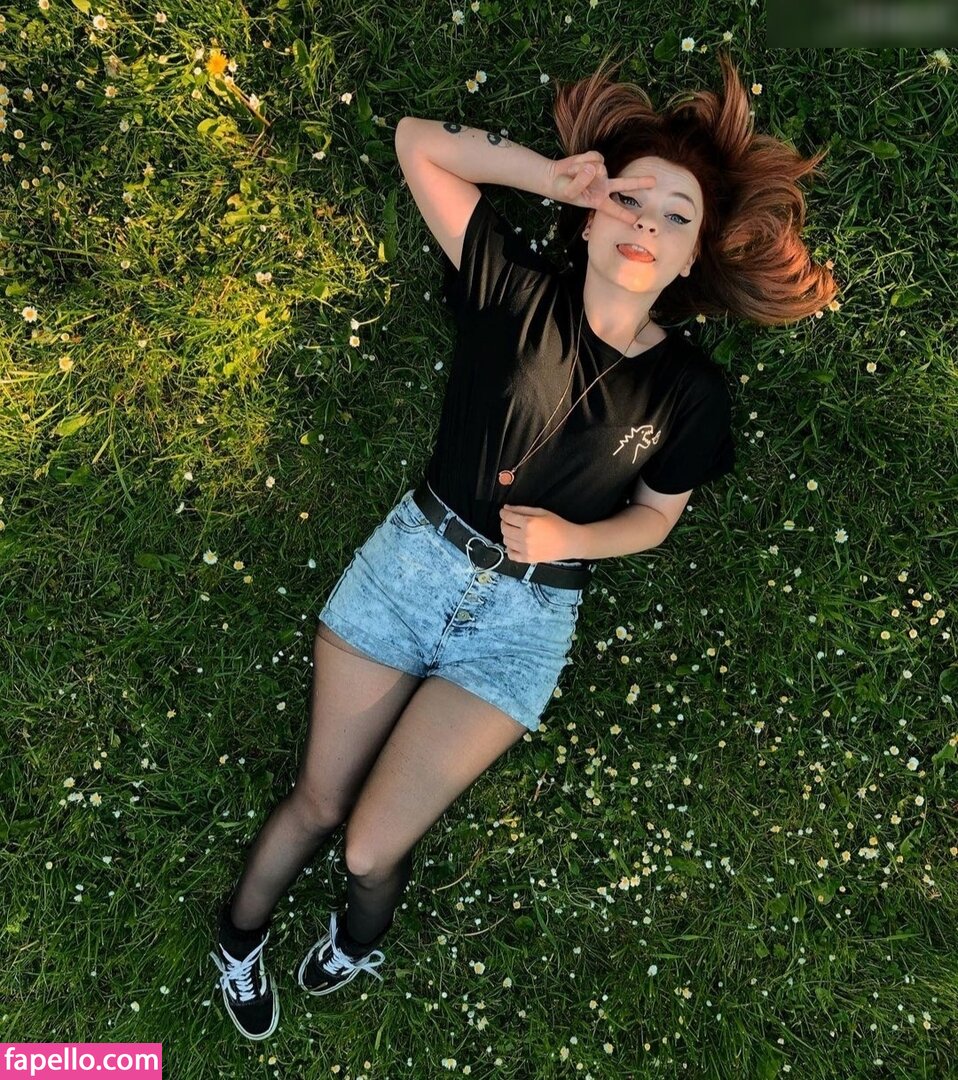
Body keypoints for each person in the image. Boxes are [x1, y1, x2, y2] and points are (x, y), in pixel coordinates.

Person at [209, 51, 838, 1040]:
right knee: (319, 804)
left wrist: (571, 536)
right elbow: (418, 145)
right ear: (590, 218)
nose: (647, 224)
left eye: (676, 218)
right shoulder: (511, 285)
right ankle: (236, 937)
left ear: (691, 260)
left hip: (522, 623)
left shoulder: (689, 393)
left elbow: (656, 517)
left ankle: (357, 940)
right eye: (630, 200)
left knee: (370, 849)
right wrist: (549, 175)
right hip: (406, 572)